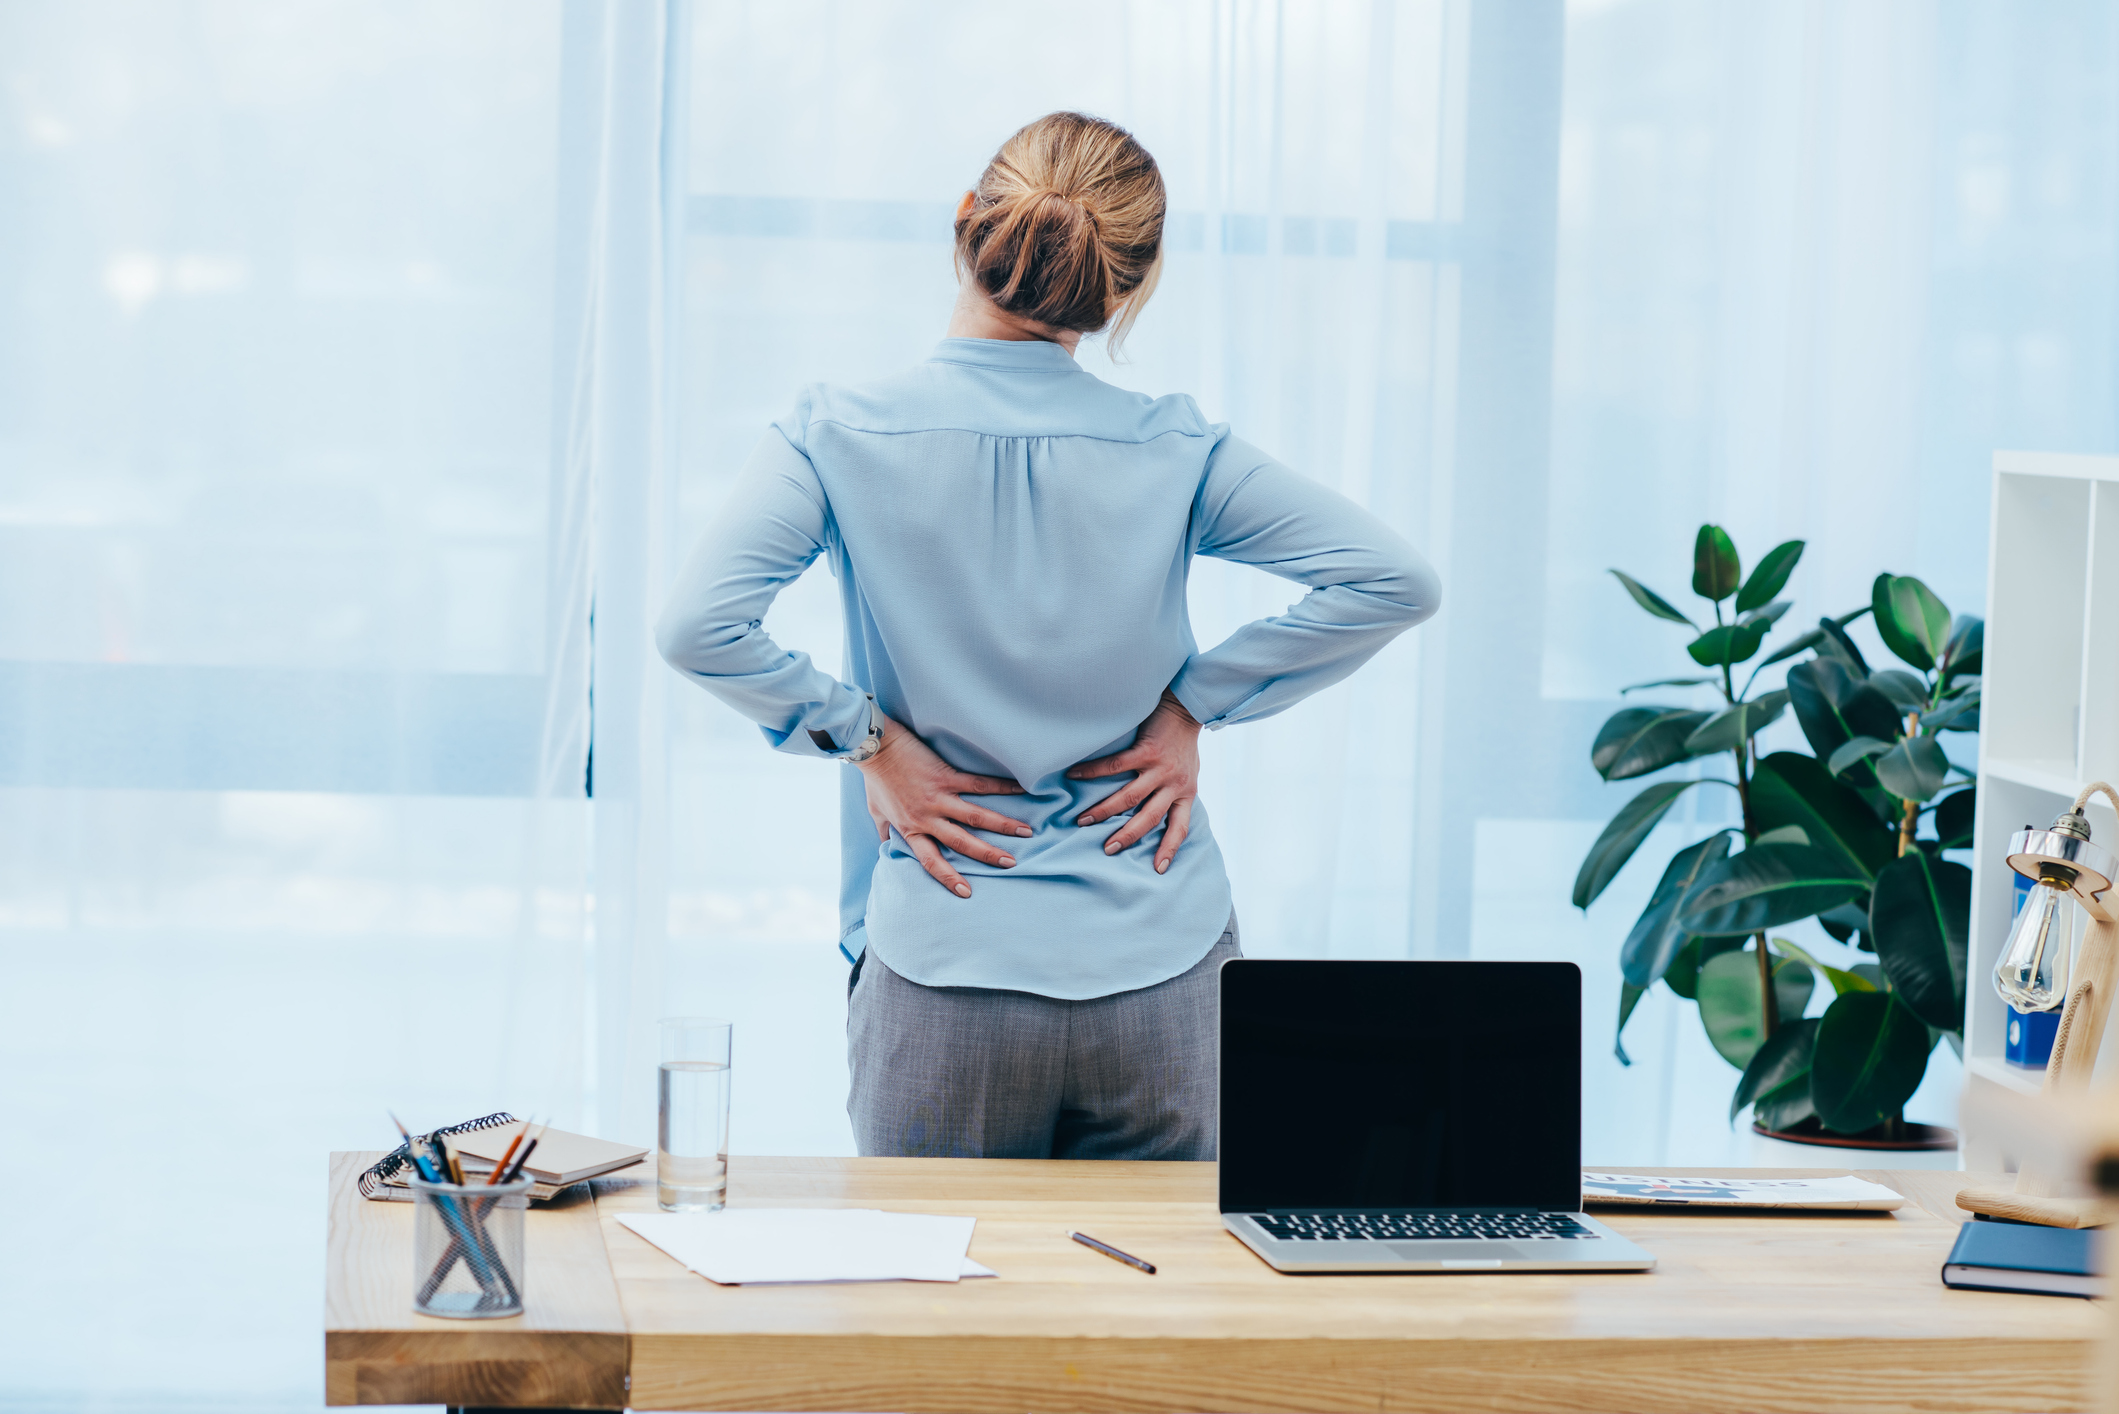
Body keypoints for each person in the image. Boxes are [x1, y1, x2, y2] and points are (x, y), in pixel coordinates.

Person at [656, 111, 1439, 1161]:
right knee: (1165, 1317)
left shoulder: (837, 432)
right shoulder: (1175, 447)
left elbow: (697, 626)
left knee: (936, 1313)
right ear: (1132, 282)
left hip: (945, 960)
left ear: (968, 222)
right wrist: (1190, 707)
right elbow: (1393, 579)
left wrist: (868, 741)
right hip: (1164, 969)